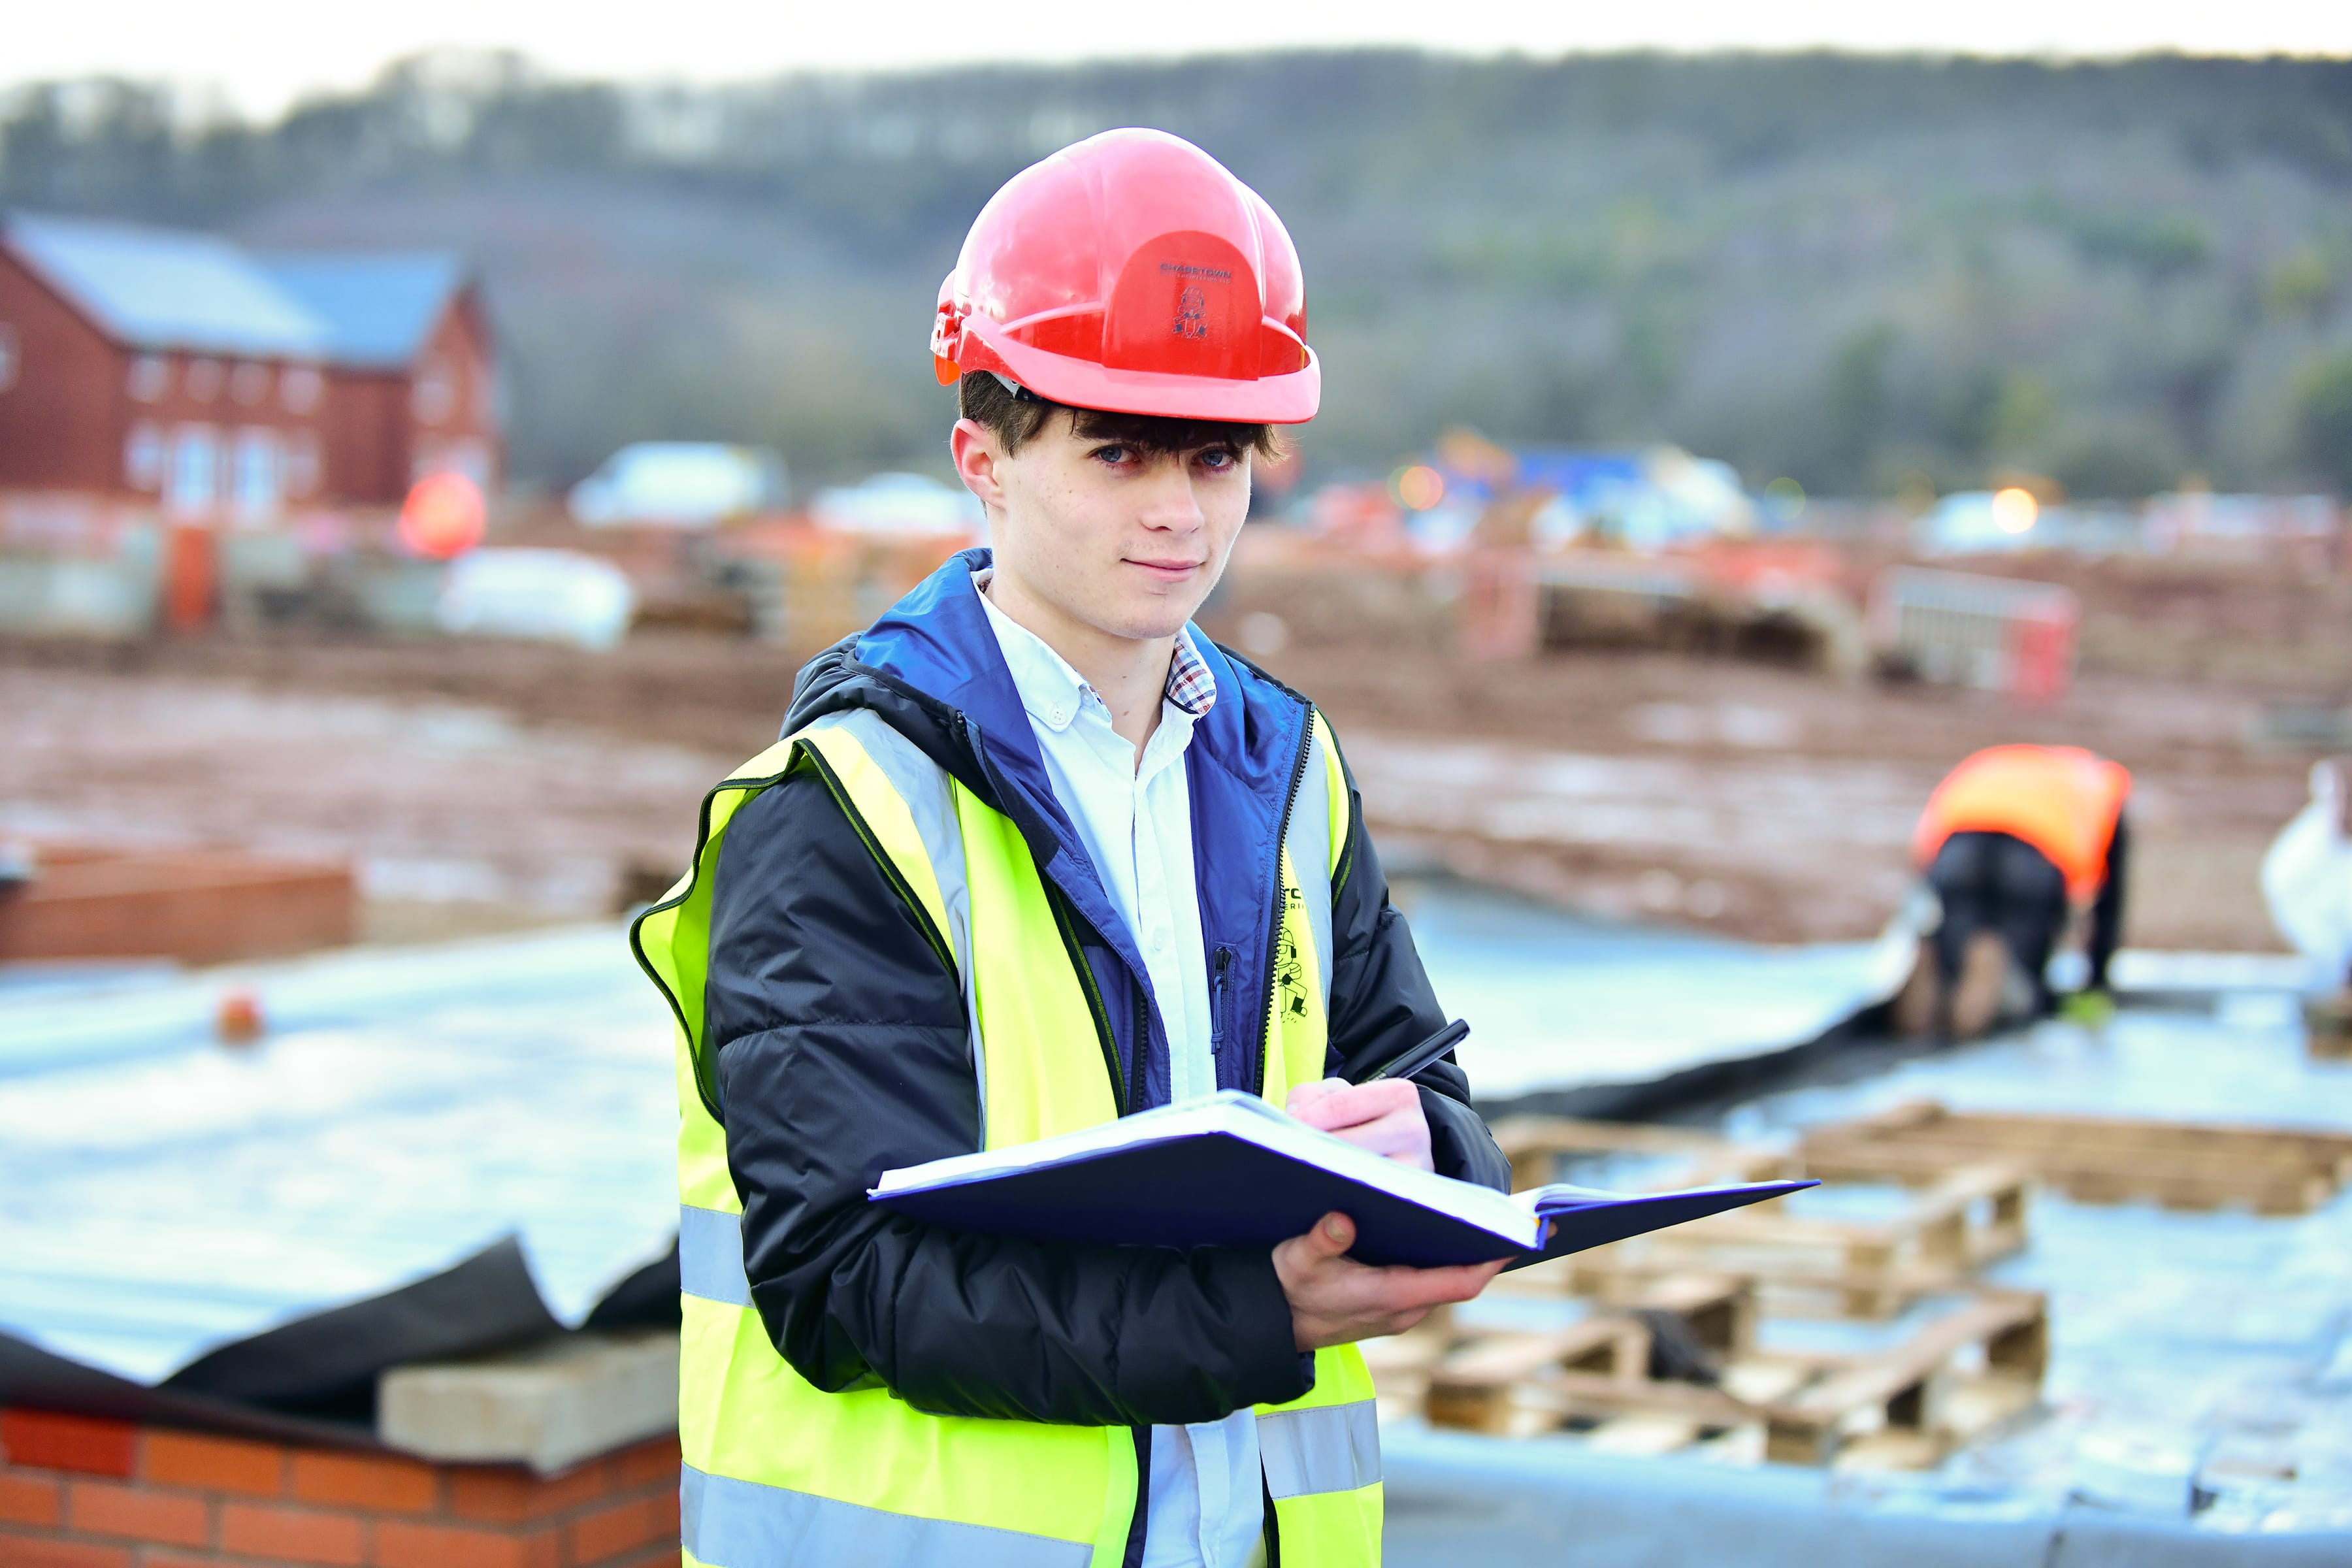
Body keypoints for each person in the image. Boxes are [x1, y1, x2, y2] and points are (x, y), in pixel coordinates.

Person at [633, 128, 1510, 1568]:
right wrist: (1254, 1315)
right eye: (1119, 452)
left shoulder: (1287, 775)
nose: (1178, 509)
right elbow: (845, 1277)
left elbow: (1429, 1093)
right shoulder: (841, 811)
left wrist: (1441, 1150)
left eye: (1216, 456)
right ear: (984, 457)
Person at [1895, 743, 2132, 1040]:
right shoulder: (2100, 784)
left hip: (1958, 849)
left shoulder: (1993, 763)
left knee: (1955, 946)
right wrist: (2096, 986)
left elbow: (1928, 840)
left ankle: (1936, 971)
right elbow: (2109, 905)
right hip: (2036, 857)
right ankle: (1993, 980)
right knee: (2021, 982)